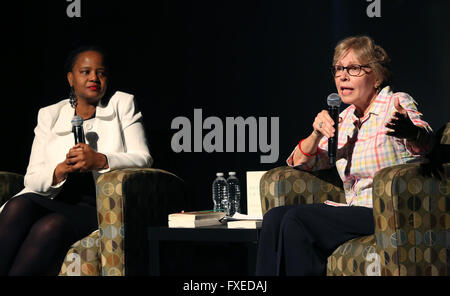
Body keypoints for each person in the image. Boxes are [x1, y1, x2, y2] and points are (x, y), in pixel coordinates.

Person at [255, 35, 433, 276]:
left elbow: (427, 142)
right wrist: (316, 133)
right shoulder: (345, 119)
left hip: (389, 211)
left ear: (377, 76)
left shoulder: (395, 103)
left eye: (353, 68)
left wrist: (410, 131)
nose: (342, 76)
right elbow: (300, 163)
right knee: (276, 218)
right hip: (352, 209)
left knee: (297, 220)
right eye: (338, 69)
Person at [0, 46, 152, 275]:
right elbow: (32, 178)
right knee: (18, 205)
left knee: (51, 226)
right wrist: (59, 171)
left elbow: (144, 158)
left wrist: (100, 160)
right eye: (86, 72)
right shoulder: (49, 114)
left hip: (98, 207)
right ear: (71, 78)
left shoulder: (122, 104)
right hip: (53, 198)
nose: (94, 78)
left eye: (101, 73)